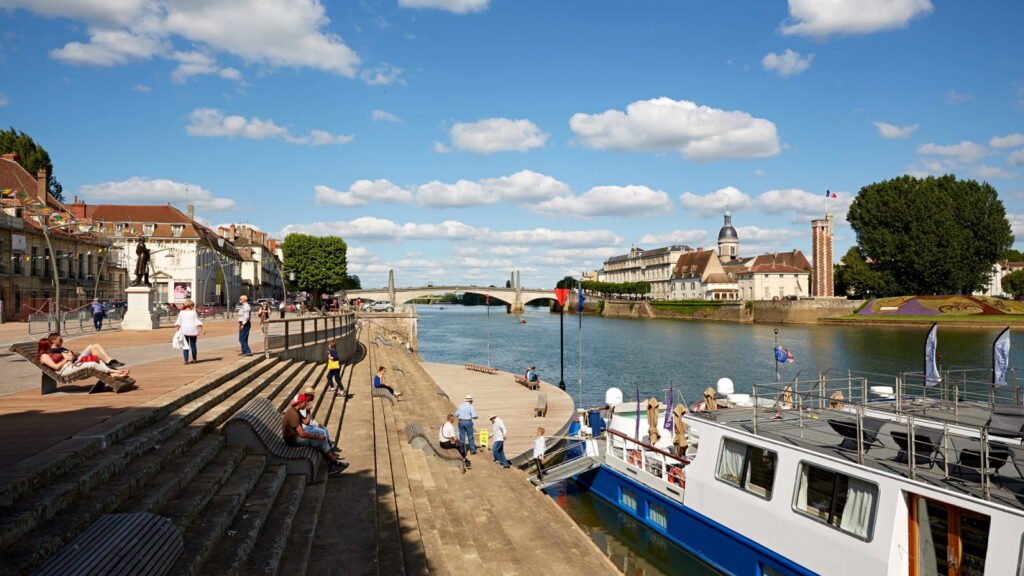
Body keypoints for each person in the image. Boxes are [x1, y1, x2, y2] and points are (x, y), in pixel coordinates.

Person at [282, 393, 344, 475]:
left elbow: (306, 422)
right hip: (293, 440)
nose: (307, 403)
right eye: (305, 402)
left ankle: (331, 463)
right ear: (300, 403)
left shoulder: (295, 410)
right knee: (320, 441)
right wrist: (316, 436)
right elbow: (301, 434)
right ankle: (333, 464)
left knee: (321, 436)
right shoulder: (293, 414)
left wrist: (308, 411)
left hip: (296, 436)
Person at [38, 335, 131, 380]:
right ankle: (115, 372)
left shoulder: (56, 350)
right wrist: (67, 359)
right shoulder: (44, 356)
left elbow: (71, 355)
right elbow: (56, 367)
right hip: (65, 370)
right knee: (92, 363)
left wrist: (71, 355)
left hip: (73, 364)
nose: (50, 345)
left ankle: (111, 368)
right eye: (49, 344)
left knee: (95, 357)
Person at [295, 388, 339, 454]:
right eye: (312, 395)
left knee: (325, 429)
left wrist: (316, 424)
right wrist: (315, 424)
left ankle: (330, 447)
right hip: (306, 428)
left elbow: (311, 419)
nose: (313, 397)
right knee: (323, 432)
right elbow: (307, 422)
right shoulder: (303, 406)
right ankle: (328, 450)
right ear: (309, 396)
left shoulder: (307, 403)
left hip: (310, 425)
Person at [174, 300, 206, 364]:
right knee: (193, 345)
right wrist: (202, 329)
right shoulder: (193, 312)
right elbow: (196, 321)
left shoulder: (181, 312)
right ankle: (194, 359)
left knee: (185, 346)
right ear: (191, 306)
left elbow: (179, 322)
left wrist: (177, 331)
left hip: (184, 330)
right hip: (193, 330)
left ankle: (186, 360)